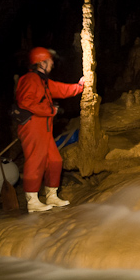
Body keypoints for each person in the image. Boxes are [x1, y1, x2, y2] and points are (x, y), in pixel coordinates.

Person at [16, 47, 84, 211]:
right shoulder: (30, 79)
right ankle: (32, 201)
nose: (52, 63)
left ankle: (51, 196)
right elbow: (25, 102)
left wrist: (79, 86)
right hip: (32, 126)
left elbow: (61, 89)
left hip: (44, 128)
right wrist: (50, 110)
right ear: (41, 63)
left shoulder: (43, 82)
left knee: (55, 160)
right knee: (35, 160)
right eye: (50, 60)